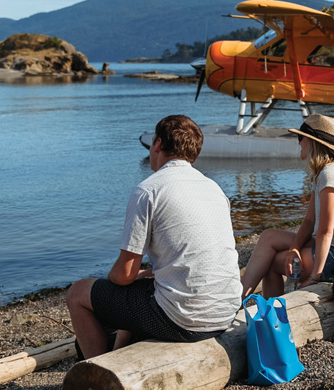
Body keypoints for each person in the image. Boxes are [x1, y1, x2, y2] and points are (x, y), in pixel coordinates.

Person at [66, 115, 242, 359]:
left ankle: (97, 370)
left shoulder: (148, 190)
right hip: (225, 312)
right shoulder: (214, 189)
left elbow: (124, 275)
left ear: (158, 144)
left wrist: (118, 277)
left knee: (78, 293)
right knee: (142, 288)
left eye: (152, 144)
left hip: (185, 319)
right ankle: (117, 351)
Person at [240, 114, 334, 298]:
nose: (299, 143)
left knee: (271, 263)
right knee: (268, 235)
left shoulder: (330, 175)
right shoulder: (322, 175)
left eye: (300, 138)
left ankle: (274, 317)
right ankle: (237, 299)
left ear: (311, 142)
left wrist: (314, 278)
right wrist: (294, 248)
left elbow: (326, 232)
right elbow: (310, 221)